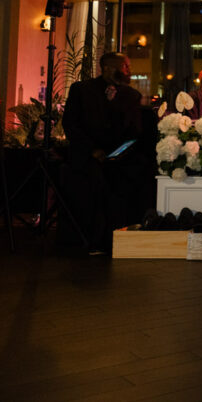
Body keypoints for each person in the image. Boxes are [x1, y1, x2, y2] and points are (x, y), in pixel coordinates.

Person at [61, 52, 144, 253]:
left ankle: (118, 239)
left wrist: (117, 153)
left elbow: (133, 131)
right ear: (107, 68)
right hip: (86, 155)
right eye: (125, 66)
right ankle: (87, 241)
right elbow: (71, 124)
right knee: (90, 184)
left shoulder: (131, 96)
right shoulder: (81, 90)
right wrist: (92, 150)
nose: (129, 71)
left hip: (119, 159)